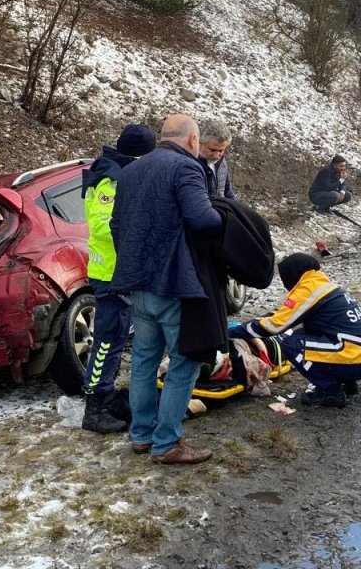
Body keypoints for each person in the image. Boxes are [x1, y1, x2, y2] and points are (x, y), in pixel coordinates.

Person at [110, 113, 224, 465]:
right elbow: (204, 219)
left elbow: (116, 225)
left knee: (143, 360)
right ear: (193, 141)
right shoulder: (185, 168)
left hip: (139, 284)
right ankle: (167, 443)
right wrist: (228, 217)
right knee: (184, 361)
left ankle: (141, 435)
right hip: (174, 284)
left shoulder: (129, 171)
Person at [228, 253, 361, 408]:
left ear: (292, 275)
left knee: (292, 343)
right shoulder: (324, 285)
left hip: (356, 359)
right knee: (307, 335)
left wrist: (232, 332)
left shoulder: (308, 289)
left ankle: (331, 392)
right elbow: (284, 315)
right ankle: (348, 384)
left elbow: (275, 325)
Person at [78, 124, 157, 434]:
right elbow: (103, 226)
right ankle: (95, 408)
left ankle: (106, 399)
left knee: (115, 339)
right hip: (111, 273)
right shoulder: (110, 180)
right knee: (107, 342)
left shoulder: (116, 173)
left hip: (119, 272)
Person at [199, 120, 235, 199]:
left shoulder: (222, 161)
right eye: (212, 150)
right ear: (200, 143)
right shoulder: (190, 165)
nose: (216, 156)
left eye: (221, 151)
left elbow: (228, 192)